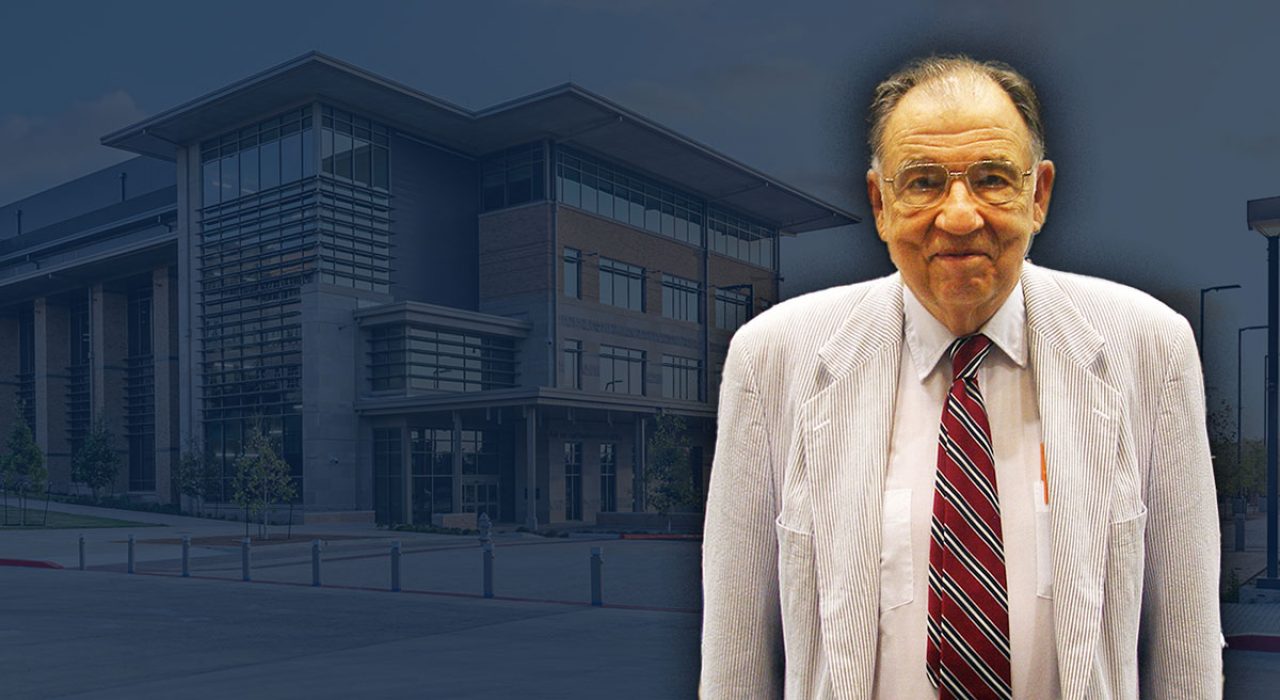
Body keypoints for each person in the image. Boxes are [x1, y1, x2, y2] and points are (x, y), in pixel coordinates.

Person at [700, 55, 1222, 699]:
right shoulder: (775, 360)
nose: (958, 215)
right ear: (879, 202)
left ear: (1039, 195)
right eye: (921, 182)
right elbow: (735, 653)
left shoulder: (1149, 349)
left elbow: (1187, 642)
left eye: (992, 178)